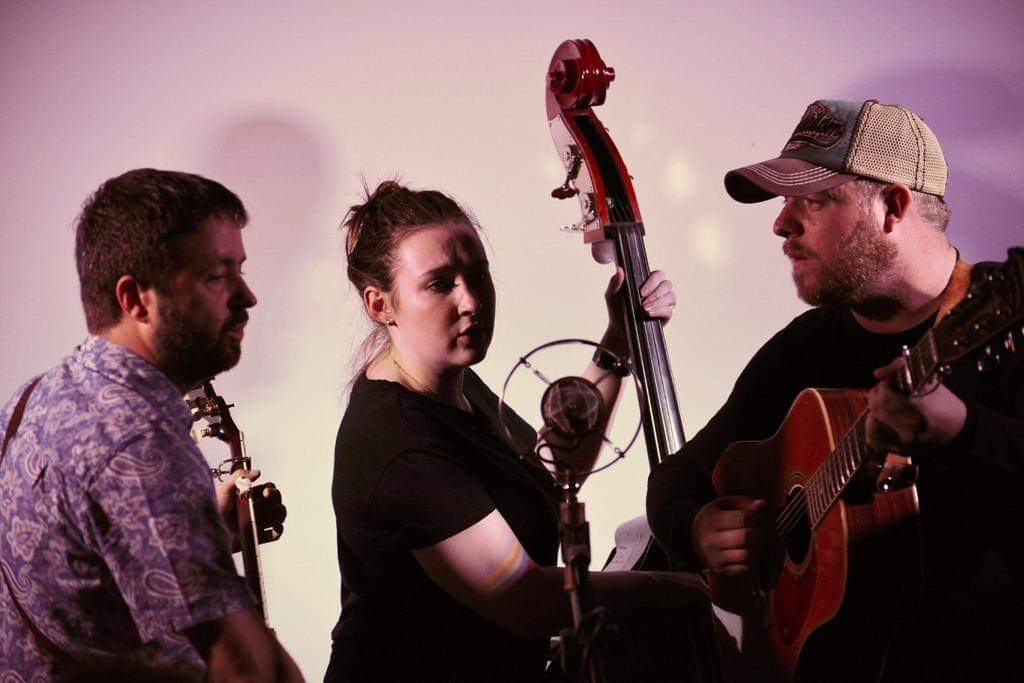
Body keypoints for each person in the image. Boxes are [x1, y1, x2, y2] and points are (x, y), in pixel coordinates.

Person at [646, 100, 1023, 680]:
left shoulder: (1000, 320)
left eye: (813, 199)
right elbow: (678, 476)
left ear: (893, 205)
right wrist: (697, 528)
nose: (780, 223)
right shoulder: (804, 348)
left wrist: (963, 431)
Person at [325, 180, 708, 681]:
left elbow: (551, 467)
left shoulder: (447, 378)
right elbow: (525, 600)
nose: (470, 302)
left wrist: (619, 340)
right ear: (381, 305)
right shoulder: (399, 442)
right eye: (440, 284)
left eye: (478, 274)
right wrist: (685, 588)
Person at [0, 169, 301, 681]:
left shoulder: (33, 400)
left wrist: (195, 527)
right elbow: (250, 671)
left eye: (240, 270)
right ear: (135, 298)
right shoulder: (138, 443)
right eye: (217, 276)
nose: (247, 297)